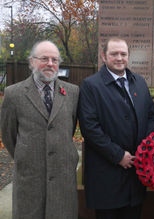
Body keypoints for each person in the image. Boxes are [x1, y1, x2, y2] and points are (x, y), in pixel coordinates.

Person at [78, 37, 154, 219]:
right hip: (106, 173)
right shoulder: (91, 85)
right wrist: (118, 155)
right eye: (114, 54)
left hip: (135, 173)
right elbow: (90, 128)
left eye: (123, 54)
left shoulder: (139, 82)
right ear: (104, 57)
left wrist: (145, 149)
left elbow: (151, 116)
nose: (119, 58)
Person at [0, 40, 79, 219]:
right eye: (44, 58)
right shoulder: (14, 94)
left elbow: (70, 129)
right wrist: (26, 156)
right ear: (32, 62)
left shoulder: (73, 93)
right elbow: (9, 135)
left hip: (63, 182)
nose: (50, 64)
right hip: (30, 181)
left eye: (54, 59)